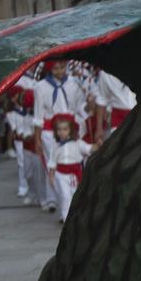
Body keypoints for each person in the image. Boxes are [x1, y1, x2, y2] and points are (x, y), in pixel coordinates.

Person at [31, 60, 86, 214]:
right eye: (56, 68)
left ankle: (72, 198)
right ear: (50, 69)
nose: (60, 71)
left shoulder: (74, 83)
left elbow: (81, 106)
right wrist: (37, 139)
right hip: (50, 132)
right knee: (53, 165)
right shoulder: (40, 87)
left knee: (73, 162)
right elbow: (38, 116)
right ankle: (54, 200)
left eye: (62, 67)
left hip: (72, 130)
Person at [48, 114, 92, 222]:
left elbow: (89, 148)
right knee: (65, 195)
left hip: (75, 174)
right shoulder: (56, 146)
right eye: (59, 129)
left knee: (75, 195)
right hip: (61, 175)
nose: (62, 132)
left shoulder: (78, 143)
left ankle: (76, 216)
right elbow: (52, 163)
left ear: (71, 130)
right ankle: (66, 218)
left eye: (65, 129)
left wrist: (98, 145)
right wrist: (51, 176)